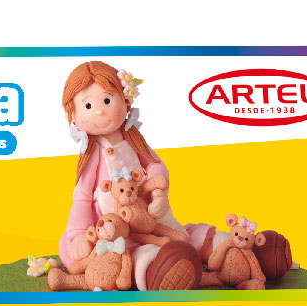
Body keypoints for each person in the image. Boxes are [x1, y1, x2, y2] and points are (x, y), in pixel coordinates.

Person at [56, 60, 216, 291]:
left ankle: (210, 245)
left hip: (144, 214)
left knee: (175, 233)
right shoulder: (90, 152)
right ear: (72, 113)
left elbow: (155, 166)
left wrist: (158, 193)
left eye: (107, 100)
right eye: (88, 105)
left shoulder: (133, 140)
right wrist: (79, 234)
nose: (99, 110)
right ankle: (152, 267)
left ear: (125, 100)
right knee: (114, 252)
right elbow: (82, 196)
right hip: (111, 225)